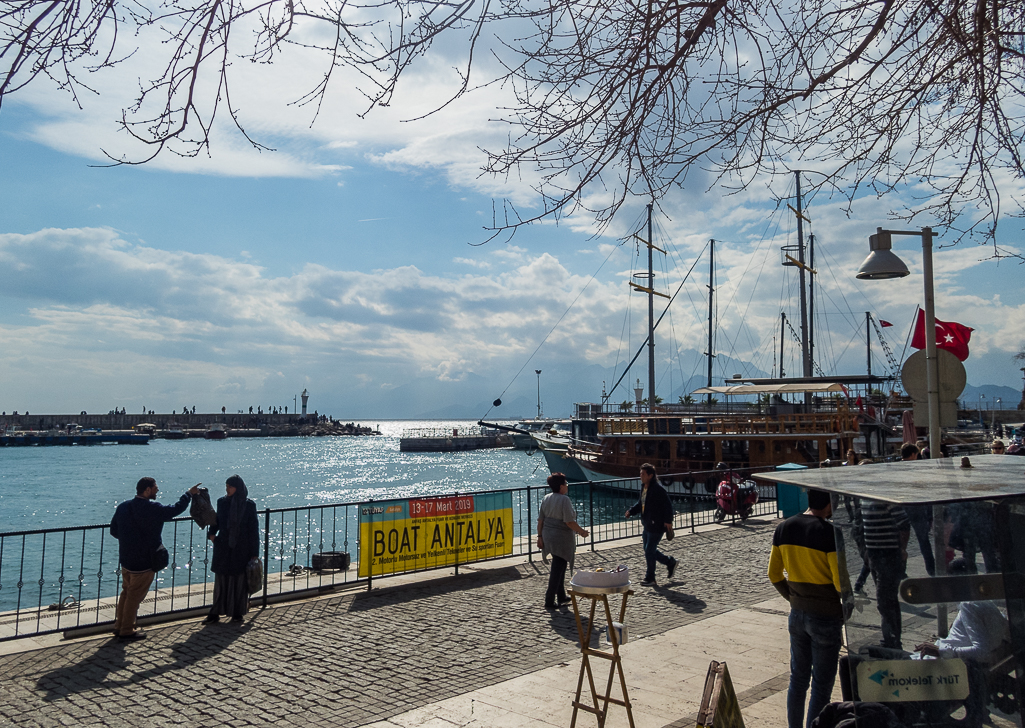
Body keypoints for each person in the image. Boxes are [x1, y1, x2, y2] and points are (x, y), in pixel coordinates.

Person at [768, 489, 844, 728]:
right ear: (829, 505)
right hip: (825, 615)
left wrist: (792, 597)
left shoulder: (784, 527)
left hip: (797, 614)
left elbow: (773, 574)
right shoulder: (830, 533)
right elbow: (840, 583)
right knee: (821, 685)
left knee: (797, 680)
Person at [110, 477, 198, 640]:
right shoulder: (153, 508)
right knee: (134, 597)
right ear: (147, 490)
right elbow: (174, 510)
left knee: (126, 592)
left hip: (126, 559)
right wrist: (189, 494)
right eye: (155, 487)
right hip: (144, 561)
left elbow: (114, 531)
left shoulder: (123, 507)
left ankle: (119, 626)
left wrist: (129, 541)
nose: (157, 490)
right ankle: (127, 630)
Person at [205, 474, 261, 623]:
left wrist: (254, 552)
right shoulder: (222, 502)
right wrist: (211, 535)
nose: (227, 489)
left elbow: (253, 529)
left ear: (238, 488)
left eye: (230, 486)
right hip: (223, 546)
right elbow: (217, 521)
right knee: (221, 580)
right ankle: (215, 613)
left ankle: (237, 612)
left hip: (241, 548)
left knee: (239, 581)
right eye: (226, 486)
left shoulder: (249, 505)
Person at [862, 496, 910, 649]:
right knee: (888, 601)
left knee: (884, 601)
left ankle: (891, 641)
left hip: (889, 557)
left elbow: (904, 524)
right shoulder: (864, 499)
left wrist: (902, 549)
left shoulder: (886, 499)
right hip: (875, 557)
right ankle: (892, 639)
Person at [536, 472, 589, 610]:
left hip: (548, 536)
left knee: (560, 564)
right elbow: (569, 522)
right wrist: (582, 531)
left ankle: (561, 595)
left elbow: (540, 520)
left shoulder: (546, 498)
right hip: (560, 538)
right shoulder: (564, 500)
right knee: (557, 567)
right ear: (561, 486)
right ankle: (549, 599)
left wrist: (539, 536)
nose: (567, 486)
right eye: (566, 483)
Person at [624, 463, 676, 586]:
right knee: (649, 550)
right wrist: (631, 512)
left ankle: (650, 578)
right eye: (640, 473)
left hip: (657, 525)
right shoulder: (644, 487)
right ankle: (669, 562)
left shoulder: (658, 489)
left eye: (643, 474)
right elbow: (641, 503)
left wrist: (668, 521)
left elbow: (668, 505)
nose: (640, 476)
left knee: (649, 550)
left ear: (650, 475)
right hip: (647, 523)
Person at [900, 443, 935, 577]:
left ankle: (901, 571)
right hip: (917, 508)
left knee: (901, 543)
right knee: (923, 541)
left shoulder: (895, 468)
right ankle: (931, 569)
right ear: (914, 454)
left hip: (900, 508)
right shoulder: (917, 468)